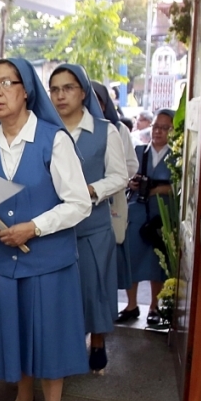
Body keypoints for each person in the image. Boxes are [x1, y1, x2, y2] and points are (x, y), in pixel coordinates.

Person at [0, 58, 91, 401]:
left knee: (50, 339)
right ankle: (23, 398)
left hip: (48, 263)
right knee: (17, 331)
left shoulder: (53, 140)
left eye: (6, 83)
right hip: (4, 263)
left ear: (26, 91)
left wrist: (34, 227)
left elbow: (79, 204)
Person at [49, 66, 129, 373]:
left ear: (83, 92)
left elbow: (120, 176)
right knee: (63, 293)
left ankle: (97, 343)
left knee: (95, 288)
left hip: (93, 227)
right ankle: (66, 346)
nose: (61, 95)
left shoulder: (105, 130)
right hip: (56, 228)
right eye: (54, 89)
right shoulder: (46, 130)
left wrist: (90, 190)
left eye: (68, 88)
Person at [118, 109, 175, 325]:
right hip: (137, 212)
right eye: (155, 127)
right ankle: (131, 305)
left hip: (161, 216)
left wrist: (159, 189)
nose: (158, 132)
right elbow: (126, 176)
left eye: (164, 128)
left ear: (172, 130)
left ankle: (155, 307)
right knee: (131, 258)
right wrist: (133, 183)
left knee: (156, 262)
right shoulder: (139, 151)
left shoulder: (176, 157)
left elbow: (179, 187)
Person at [92, 80, 140, 293]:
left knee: (109, 255)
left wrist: (105, 178)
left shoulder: (116, 129)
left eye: (97, 100)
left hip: (110, 199)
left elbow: (130, 165)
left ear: (105, 104)